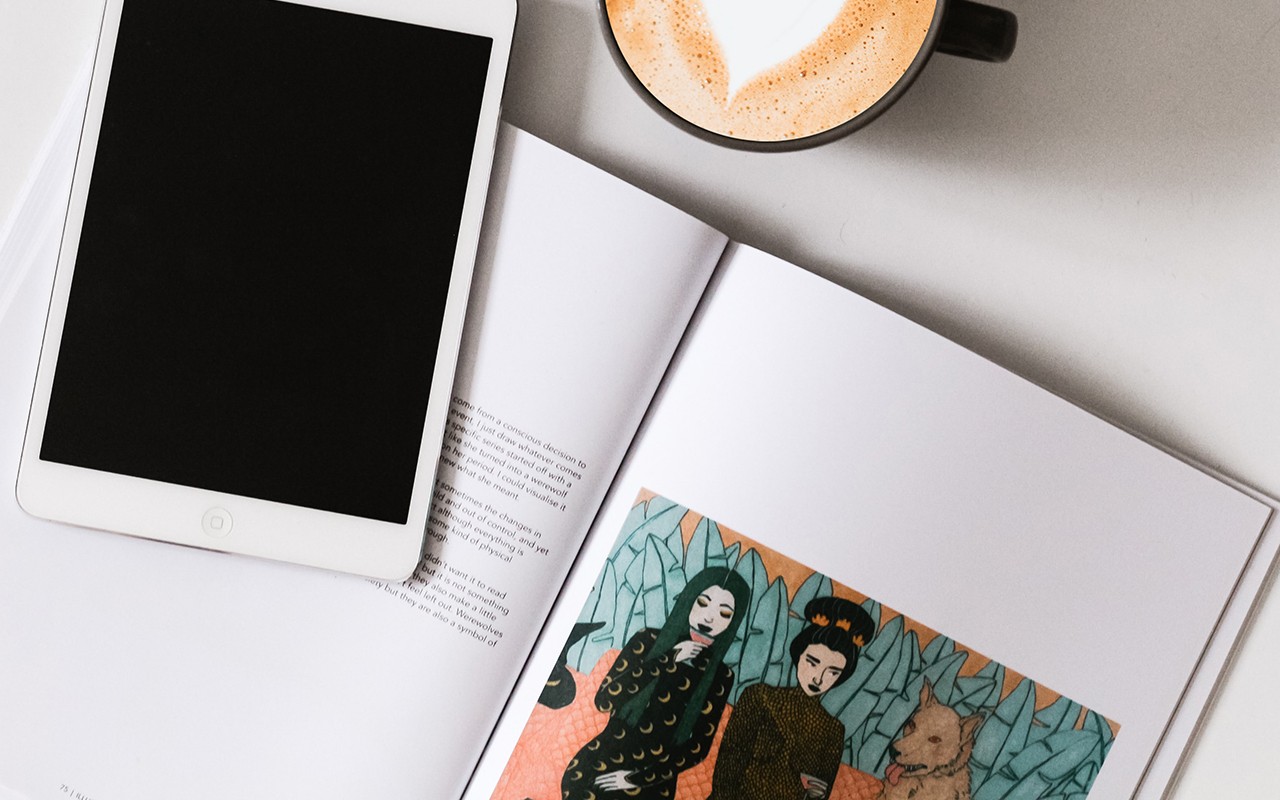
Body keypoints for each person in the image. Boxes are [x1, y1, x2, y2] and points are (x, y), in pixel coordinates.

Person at [560, 567, 751, 799]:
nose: (709, 618)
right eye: (702, 603)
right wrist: (667, 659)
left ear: (733, 622)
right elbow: (604, 700)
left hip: (652, 783)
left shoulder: (720, 676)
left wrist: (634, 780)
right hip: (601, 762)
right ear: (689, 600)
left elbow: (697, 749)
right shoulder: (647, 640)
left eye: (724, 614)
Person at [707, 596, 875, 800]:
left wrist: (816, 794)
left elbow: (820, 790)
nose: (818, 678)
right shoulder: (759, 697)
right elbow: (728, 764)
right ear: (799, 655)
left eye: (833, 672)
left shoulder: (832, 730)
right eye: (812, 662)